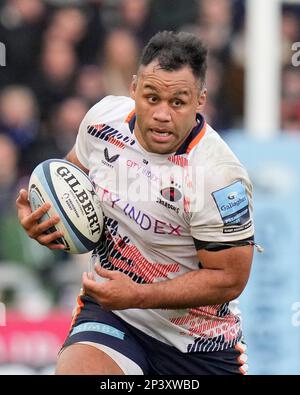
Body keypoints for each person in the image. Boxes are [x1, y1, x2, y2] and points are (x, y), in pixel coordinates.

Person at [16, 31, 254, 375]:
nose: (161, 113)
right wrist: (44, 219)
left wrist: (139, 294)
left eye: (178, 102)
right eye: (151, 96)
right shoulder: (102, 122)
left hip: (197, 344)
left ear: (200, 100)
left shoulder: (219, 177)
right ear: (133, 88)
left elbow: (230, 278)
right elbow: (71, 181)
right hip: (114, 314)